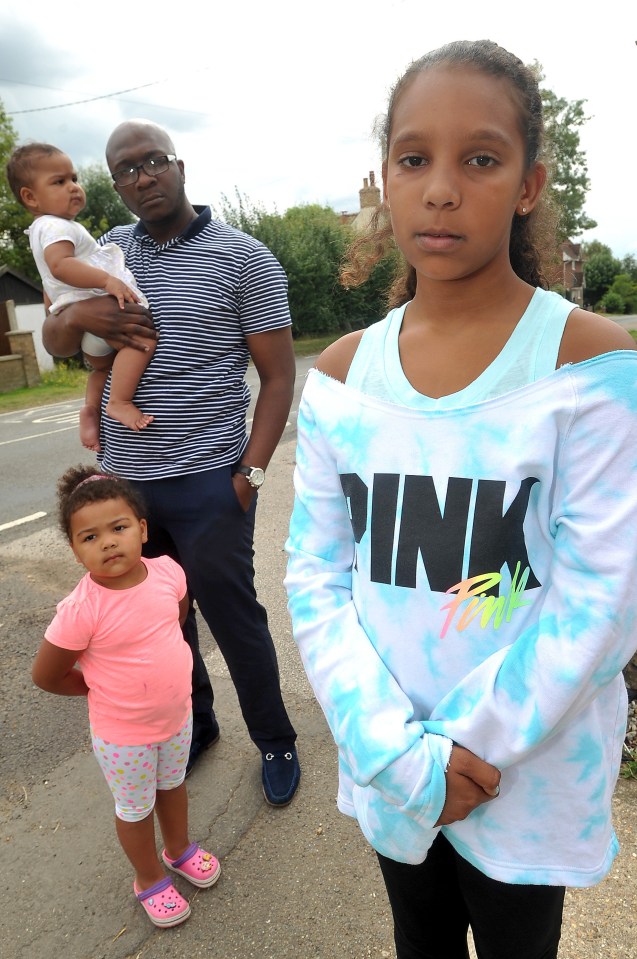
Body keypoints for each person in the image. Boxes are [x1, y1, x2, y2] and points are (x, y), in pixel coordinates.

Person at [284, 39, 637, 959]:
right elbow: (316, 576)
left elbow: (603, 597)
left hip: (519, 778)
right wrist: (397, 757)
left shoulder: (593, 369)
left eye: (479, 158)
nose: (441, 187)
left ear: (528, 184)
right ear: (385, 180)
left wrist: (464, 758)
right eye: (414, 159)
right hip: (389, 763)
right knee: (419, 939)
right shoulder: (342, 377)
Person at [41, 120, 300, 807]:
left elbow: (277, 378)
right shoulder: (104, 251)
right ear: (115, 184)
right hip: (127, 490)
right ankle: (197, 727)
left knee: (232, 613)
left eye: (153, 162)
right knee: (162, 620)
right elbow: (55, 331)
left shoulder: (243, 258)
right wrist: (81, 321)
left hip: (212, 478)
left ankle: (275, 738)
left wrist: (252, 473)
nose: (142, 177)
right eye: (125, 170)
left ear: (178, 165)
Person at [32, 465, 221, 928]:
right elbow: (47, 675)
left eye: (118, 528)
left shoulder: (168, 572)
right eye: (90, 537)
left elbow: (174, 620)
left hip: (177, 717)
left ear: (141, 529)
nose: (108, 542)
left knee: (174, 787)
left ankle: (178, 850)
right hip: (124, 737)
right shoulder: (81, 609)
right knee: (135, 808)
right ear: (76, 552)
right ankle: (148, 878)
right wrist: (99, 686)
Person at [6, 143, 156, 452]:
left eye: (74, 178)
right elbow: (61, 267)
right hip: (99, 315)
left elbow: (51, 282)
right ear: (30, 197)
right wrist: (107, 280)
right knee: (142, 340)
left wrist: (56, 309)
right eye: (59, 182)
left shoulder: (45, 228)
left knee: (103, 368)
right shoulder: (55, 226)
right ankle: (119, 401)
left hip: (89, 328)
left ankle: (91, 408)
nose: (73, 187)